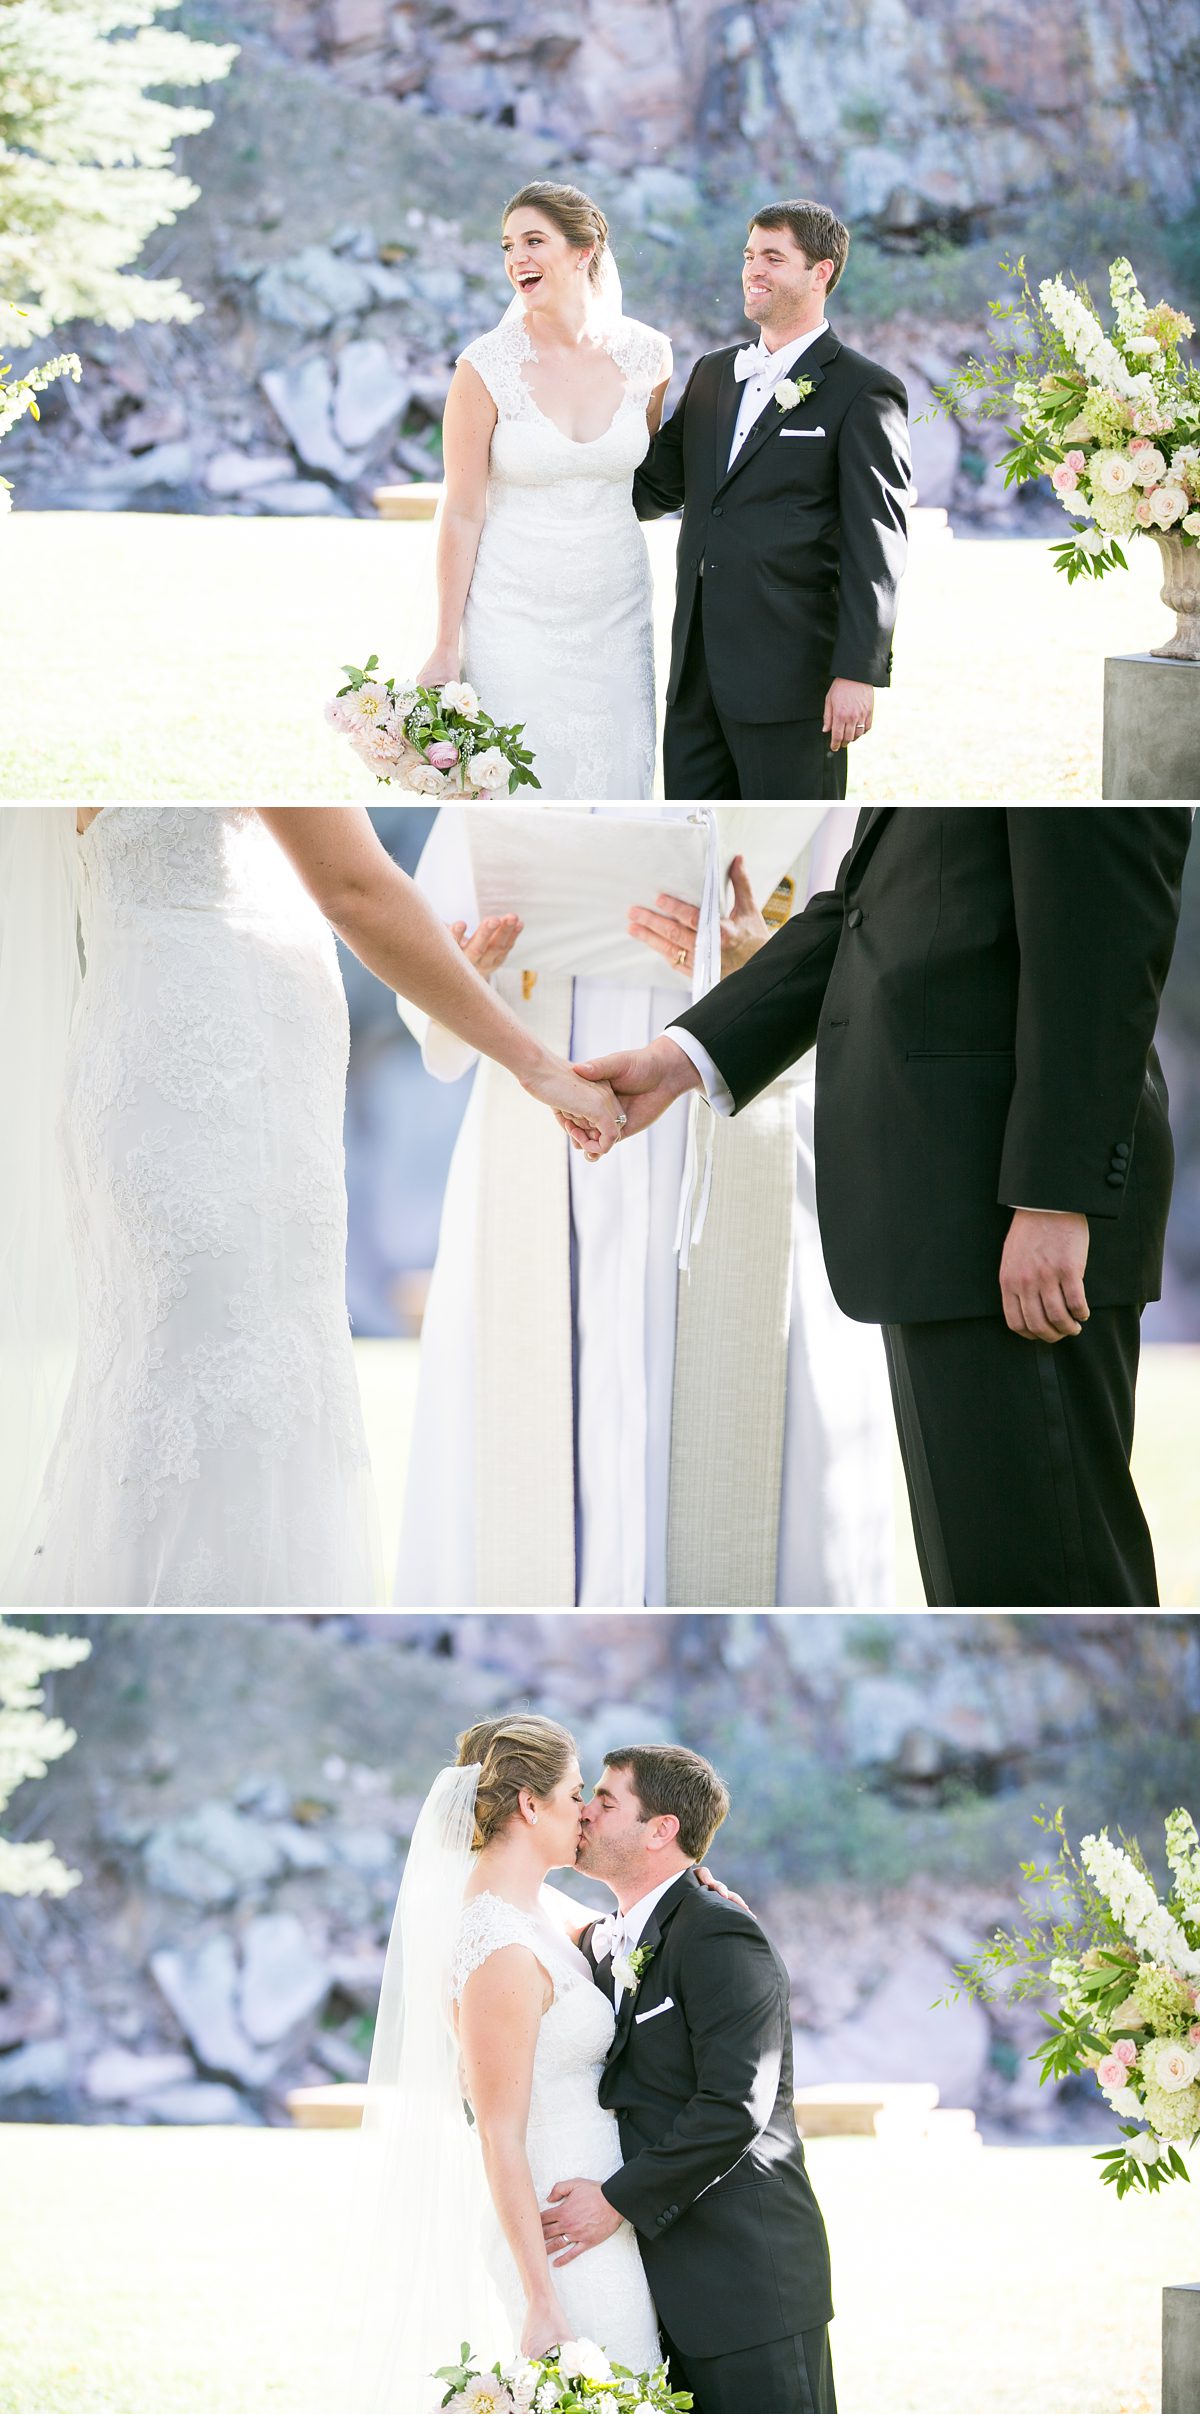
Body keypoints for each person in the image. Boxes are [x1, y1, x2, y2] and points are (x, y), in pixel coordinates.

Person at [571, 807, 1194, 1608]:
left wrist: (1053, 1198)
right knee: (985, 1595)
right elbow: (862, 914)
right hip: (947, 1206)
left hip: (1015, 1214)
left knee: (1053, 1593)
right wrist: (680, 1059)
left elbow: (1105, 933)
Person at [0, 806, 621, 1609]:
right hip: (221, 1082)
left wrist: (449, 974)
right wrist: (539, 1067)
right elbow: (355, 890)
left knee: (160, 1397)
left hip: (137, 1059)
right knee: (235, 1406)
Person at [393, 805, 893, 1609]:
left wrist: (764, 971)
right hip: (542, 1121)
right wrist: (461, 972)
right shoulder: (517, 771)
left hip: (738, 1116)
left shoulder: (820, 802)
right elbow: (420, 942)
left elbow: (878, 950)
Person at [545, 1745, 836, 2414]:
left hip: (747, 2286)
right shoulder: (610, 1942)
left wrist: (615, 2201)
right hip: (657, 2292)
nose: (586, 1812)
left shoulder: (719, 1934)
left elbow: (735, 2106)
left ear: (661, 1830)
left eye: (606, 1801)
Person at [633, 200, 911, 802]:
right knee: (696, 839)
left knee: (787, 844)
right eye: (749, 255)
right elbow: (650, 491)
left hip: (793, 681)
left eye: (773, 258)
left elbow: (877, 540)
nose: (753, 270)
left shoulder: (864, 390)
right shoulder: (712, 374)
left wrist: (858, 672)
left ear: (820, 272)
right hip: (695, 676)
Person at [416, 181, 672, 799]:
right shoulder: (484, 367)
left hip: (617, 615)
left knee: (617, 781)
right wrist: (445, 644)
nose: (517, 259)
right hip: (511, 616)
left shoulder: (650, 356)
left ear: (584, 250)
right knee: (519, 787)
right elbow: (461, 512)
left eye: (534, 241)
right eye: (508, 246)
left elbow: (643, 478)